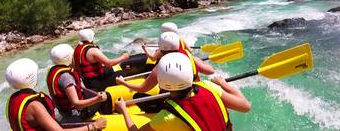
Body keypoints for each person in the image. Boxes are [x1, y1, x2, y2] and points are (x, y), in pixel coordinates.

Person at [115, 52, 251, 131]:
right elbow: (246, 107)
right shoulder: (209, 86)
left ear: (162, 82)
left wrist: (124, 110)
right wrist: (224, 84)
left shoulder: (166, 117)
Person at [5, 58, 107, 131]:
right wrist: (93, 126)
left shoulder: (12, 99)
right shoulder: (35, 106)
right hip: (73, 114)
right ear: (31, 78)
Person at [116, 32, 214, 94]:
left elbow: (143, 88)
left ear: (161, 48)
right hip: (195, 90)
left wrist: (123, 83)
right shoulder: (189, 56)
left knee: (137, 96)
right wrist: (197, 61)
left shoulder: (161, 67)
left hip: (174, 98)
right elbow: (210, 71)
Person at [47, 44, 111, 122]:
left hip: (64, 112)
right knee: (106, 96)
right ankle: (109, 120)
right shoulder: (66, 77)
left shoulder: (54, 71)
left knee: (95, 90)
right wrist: (97, 99)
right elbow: (76, 103)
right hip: (77, 114)